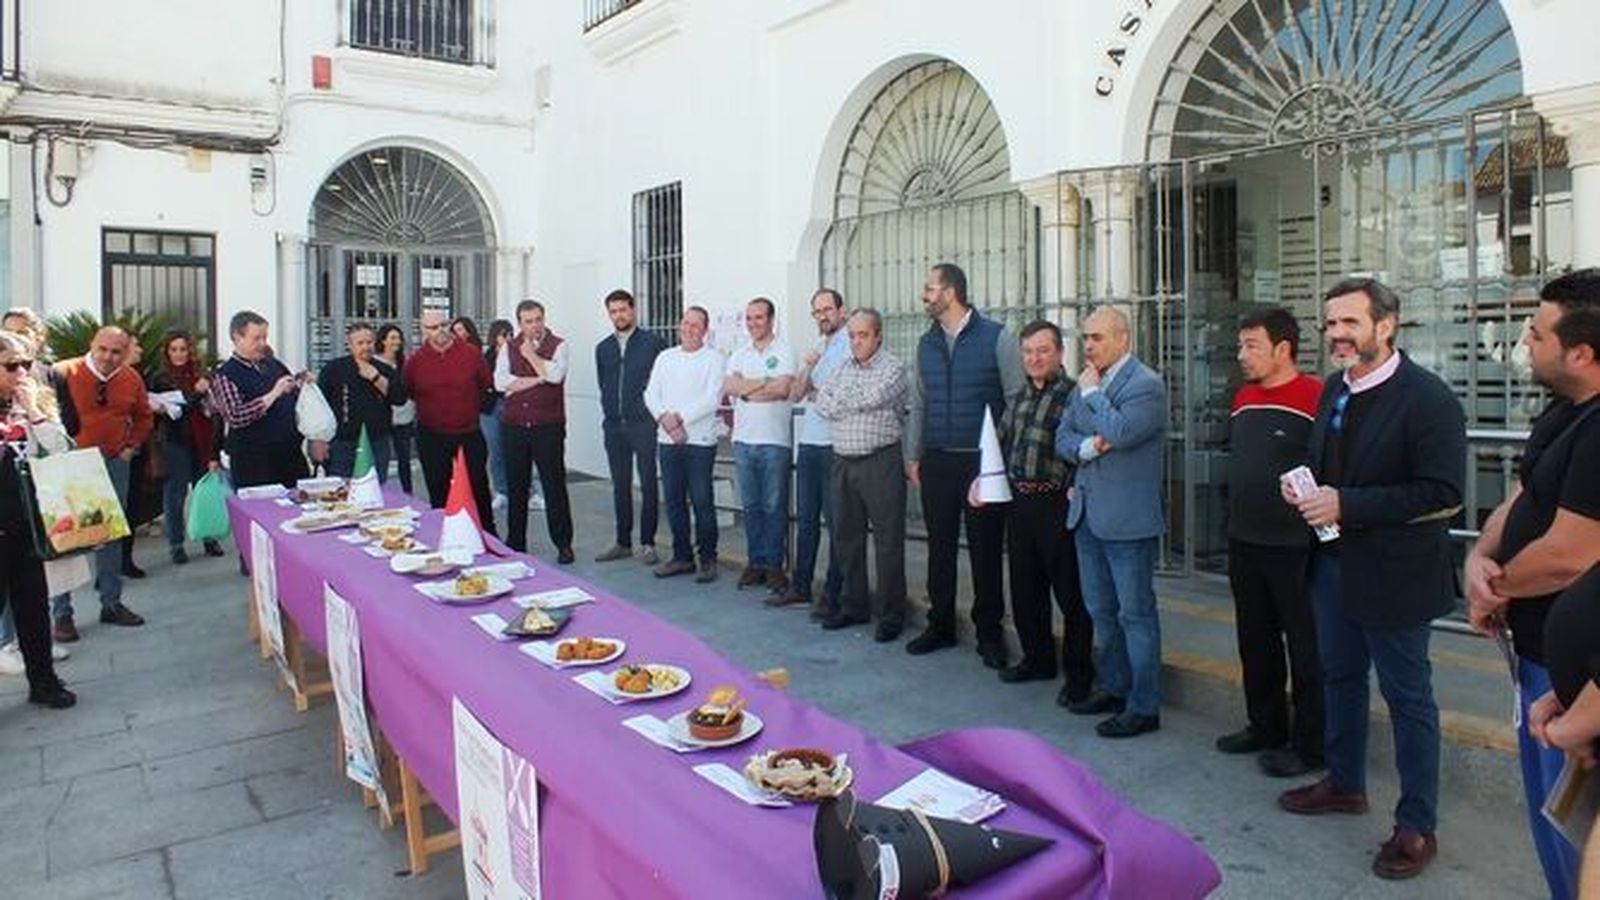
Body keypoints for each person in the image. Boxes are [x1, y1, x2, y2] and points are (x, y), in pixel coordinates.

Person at [1277, 277, 1465, 882]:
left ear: (1387, 326)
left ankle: (1416, 825)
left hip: (1397, 576)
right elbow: (1326, 463)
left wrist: (1345, 504)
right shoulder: (1335, 387)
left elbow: (1443, 493)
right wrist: (1302, 481)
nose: (1336, 334)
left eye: (1349, 323)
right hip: (1332, 567)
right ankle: (1345, 783)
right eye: (1331, 323)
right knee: (1340, 677)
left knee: (1409, 700)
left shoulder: (1428, 399)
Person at [1464, 269, 1600, 899]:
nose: (1525, 342)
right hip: (1536, 657)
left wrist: (1502, 586)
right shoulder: (1563, 412)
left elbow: (1572, 554)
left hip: (1574, 679)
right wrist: (1481, 562)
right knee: (1549, 827)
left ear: (1582, 352)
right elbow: (1525, 498)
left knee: (1577, 840)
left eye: (1537, 332)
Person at [1215, 308, 1325, 778]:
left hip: (1295, 547)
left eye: (1252, 345)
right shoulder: (1242, 399)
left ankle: (1310, 745)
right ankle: (1265, 726)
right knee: (1254, 641)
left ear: (1284, 348)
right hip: (1246, 540)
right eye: (1240, 346)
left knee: (1306, 648)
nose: (1242, 355)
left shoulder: (1316, 397)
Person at [1054, 306, 1167, 739]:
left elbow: (1120, 432)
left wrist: (1094, 398)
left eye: (1098, 338)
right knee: (1101, 610)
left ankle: (1144, 705)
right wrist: (1086, 447)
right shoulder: (1087, 381)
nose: (1089, 346)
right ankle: (1115, 687)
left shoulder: (1146, 385)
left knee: (1135, 614)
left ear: (1123, 339)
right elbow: (1063, 437)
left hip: (1128, 521)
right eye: (1086, 338)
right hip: (1086, 515)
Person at [904, 263, 1023, 666]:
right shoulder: (926, 343)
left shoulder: (997, 338)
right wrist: (912, 454)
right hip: (937, 459)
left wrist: (998, 458)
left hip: (981, 463)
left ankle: (989, 634)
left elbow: (1016, 399)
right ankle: (940, 625)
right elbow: (919, 402)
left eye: (930, 288)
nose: (925, 295)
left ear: (951, 292)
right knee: (939, 547)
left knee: (986, 550)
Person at [992, 321, 1095, 707]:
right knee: (1025, 588)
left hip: (1058, 504)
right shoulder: (1017, 397)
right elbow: (1001, 443)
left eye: (1042, 351)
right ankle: (1037, 659)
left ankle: (1079, 675)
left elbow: (1085, 447)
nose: (1034, 359)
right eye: (1028, 352)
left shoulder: (1075, 396)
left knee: (1071, 595)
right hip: (1020, 503)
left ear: (1059, 354)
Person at [813, 308, 909, 641]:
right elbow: (821, 402)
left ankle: (891, 613)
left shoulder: (894, 367)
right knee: (846, 538)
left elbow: (873, 398)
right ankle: (855, 606)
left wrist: (841, 400)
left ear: (878, 335)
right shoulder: (842, 366)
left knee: (888, 541)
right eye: (852, 335)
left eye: (863, 335)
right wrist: (841, 400)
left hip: (880, 461)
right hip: (843, 461)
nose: (856, 341)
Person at [52, 327, 152, 640]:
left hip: (112, 462)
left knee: (111, 534)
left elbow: (144, 416)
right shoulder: (62, 373)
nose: (108, 357)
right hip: (70, 464)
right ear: (92, 346)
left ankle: (111, 602)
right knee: (65, 538)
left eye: (116, 352)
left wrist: (130, 447)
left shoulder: (130, 379)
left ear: (125, 353)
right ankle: (62, 615)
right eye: (103, 349)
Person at [0, 331, 76, 707]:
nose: (20, 373)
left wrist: (33, 410)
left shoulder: (33, 402)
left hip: (26, 525)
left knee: (33, 607)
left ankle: (43, 682)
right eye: (10, 366)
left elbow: (61, 448)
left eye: (26, 365)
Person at [776, 289, 849, 614]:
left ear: (841, 311)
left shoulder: (850, 342)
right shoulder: (819, 347)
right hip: (810, 443)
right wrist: (807, 369)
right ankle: (801, 586)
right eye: (817, 311)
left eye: (827, 309)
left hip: (836, 444)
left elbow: (842, 390)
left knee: (836, 523)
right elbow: (795, 394)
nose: (823, 316)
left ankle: (833, 593)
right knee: (805, 520)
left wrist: (818, 389)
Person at [644, 306, 723, 583]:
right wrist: (663, 418)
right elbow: (650, 393)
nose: (689, 329)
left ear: (705, 330)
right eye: (685, 323)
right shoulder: (666, 357)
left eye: (695, 325)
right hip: (667, 440)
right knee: (674, 501)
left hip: (699, 442)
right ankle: (682, 557)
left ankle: (708, 558)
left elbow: (713, 398)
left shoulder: (713, 359)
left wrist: (679, 419)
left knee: (702, 501)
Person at [724, 297, 797, 595]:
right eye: (749, 318)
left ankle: (774, 568)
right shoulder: (739, 353)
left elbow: (783, 389)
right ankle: (755, 563)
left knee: (774, 507)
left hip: (774, 441)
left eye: (759, 318)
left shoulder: (785, 350)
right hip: (743, 441)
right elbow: (729, 386)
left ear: (771, 320)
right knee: (751, 507)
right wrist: (763, 383)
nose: (754, 324)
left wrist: (748, 389)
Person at [495, 300, 575, 563]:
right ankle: (516, 541)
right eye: (528, 321)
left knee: (554, 486)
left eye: (538, 319)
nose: (534, 325)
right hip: (514, 426)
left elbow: (556, 375)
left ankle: (563, 543)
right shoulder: (508, 346)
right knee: (517, 486)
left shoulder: (559, 344)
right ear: (520, 323)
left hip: (548, 427)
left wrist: (531, 357)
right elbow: (500, 382)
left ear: (544, 318)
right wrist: (538, 377)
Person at [404, 309, 497, 533]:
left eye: (444, 324)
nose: (441, 331)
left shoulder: (471, 354)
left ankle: (488, 534)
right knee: (439, 491)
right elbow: (409, 392)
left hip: (468, 434)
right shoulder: (415, 362)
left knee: (478, 489)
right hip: (432, 436)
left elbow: (487, 385)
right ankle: (446, 535)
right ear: (423, 330)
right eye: (433, 327)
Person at [594, 289, 665, 565]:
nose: (619, 315)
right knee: (620, 485)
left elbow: (660, 383)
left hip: (643, 424)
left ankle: (647, 543)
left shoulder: (653, 343)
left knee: (648, 483)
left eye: (623, 309)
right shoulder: (603, 348)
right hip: (613, 426)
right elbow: (604, 384)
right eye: (613, 311)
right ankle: (623, 542)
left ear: (633, 310)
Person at [148, 330, 226, 564]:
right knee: (175, 493)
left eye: (183, 349)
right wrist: (196, 392)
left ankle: (209, 537)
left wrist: (215, 448)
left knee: (204, 492)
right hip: (175, 440)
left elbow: (215, 412)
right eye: (174, 349)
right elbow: (176, 409)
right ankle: (176, 544)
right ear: (167, 352)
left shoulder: (202, 374)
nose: (179, 354)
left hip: (202, 440)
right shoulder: (161, 378)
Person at [211, 310, 309, 490]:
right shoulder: (226, 374)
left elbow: (293, 394)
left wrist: (302, 384)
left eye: (265, 337)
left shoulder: (273, 364)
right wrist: (272, 395)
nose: (262, 344)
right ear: (237, 337)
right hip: (254, 460)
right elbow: (235, 416)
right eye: (256, 338)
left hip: (289, 453)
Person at [317, 323, 406, 481]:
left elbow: (400, 399)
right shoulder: (334, 369)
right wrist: (318, 440)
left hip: (376, 443)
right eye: (360, 343)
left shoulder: (384, 370)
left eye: (369, 342)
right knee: (340, 490)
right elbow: (319, 405)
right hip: (342, 443)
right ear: (350, 345)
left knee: (375, 490)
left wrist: (376, 378)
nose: (366, 347)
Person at [375, 324, 416, 493]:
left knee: (404, 458)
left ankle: (408, 492)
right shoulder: (375, 363)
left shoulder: (404, 363)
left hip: (404, 415)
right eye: (392, 338)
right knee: (381, 457)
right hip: (383, 416)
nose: (396, 342)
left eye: (398, 338)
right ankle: (379, 491)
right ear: (383, 340)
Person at [482, 318, 513, 510]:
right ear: (495, 337)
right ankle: (501, 491)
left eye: (510, 334)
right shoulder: (487, 356)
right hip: (490, 408)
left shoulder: (517, 354)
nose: (507, 338)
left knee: (515, 450)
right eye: (504, 335)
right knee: (496, 451)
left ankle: (528, 491)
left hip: (510, 404)